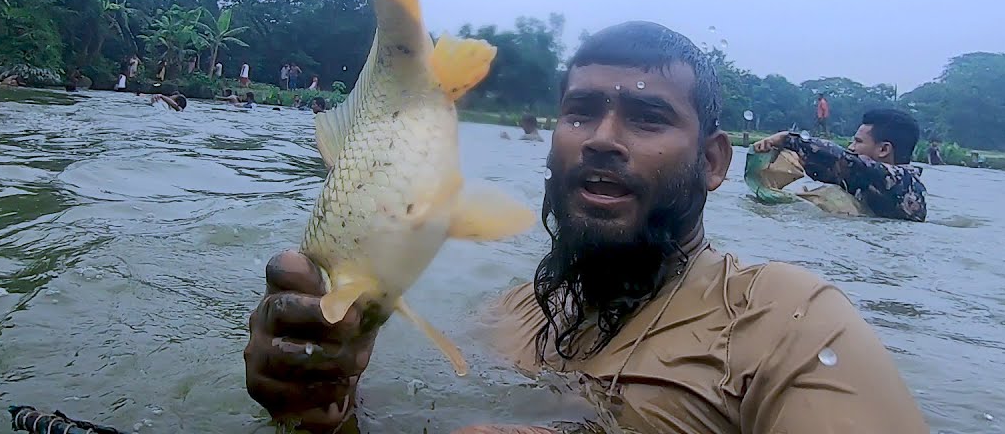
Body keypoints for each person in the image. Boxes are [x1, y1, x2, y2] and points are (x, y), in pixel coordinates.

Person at [243, 21, 927, 434]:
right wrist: (324, 406)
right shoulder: (504, 314)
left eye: (647, 118)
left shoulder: (789, 322)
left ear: (713, 162)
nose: (602, 139)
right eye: (580, 113)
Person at [752, 108, 928, 222]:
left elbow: (841, 160)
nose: (851, 147)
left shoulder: (901, 182)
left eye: (858, 141)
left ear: (883, 149)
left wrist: (787, 139)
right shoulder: (872, 181)